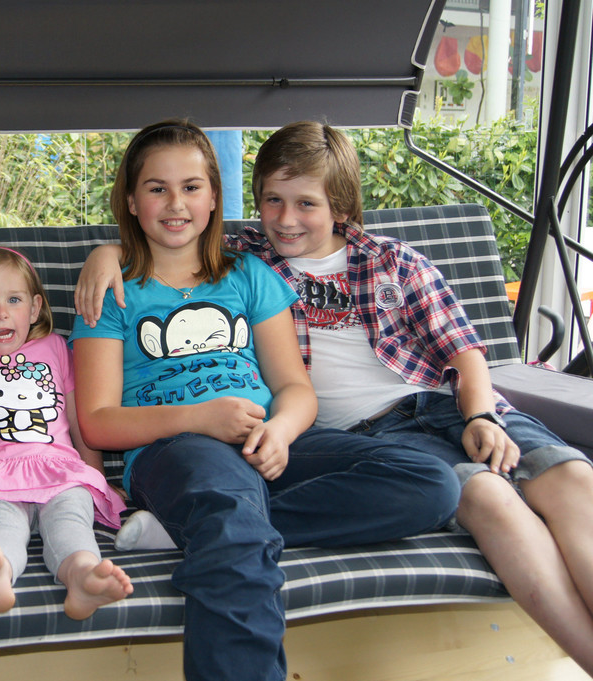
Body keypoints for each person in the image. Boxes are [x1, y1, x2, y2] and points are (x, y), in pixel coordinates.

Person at [77, 120, 593, 676]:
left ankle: (199, 526)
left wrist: (480, 413)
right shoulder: (198, 268)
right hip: (239, 439)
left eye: (307, 203)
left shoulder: (351, 263)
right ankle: (218, 527)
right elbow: (100, 415)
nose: (286, 218)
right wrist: (105, 253)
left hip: (391, 417)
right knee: (481, 495)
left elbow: (449, 353)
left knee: (511, 481)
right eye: (272, 201)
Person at [0, 245, 131, 620]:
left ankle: (82, 574)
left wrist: (95, 475)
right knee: (0, 524)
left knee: (71, 519)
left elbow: (76, 417)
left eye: (13, 300)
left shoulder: (55, 348)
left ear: (34, 309)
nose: (1, 313)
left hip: (59, 471)